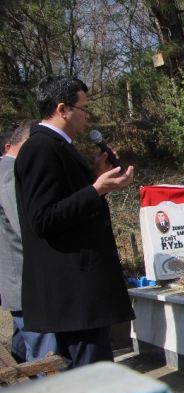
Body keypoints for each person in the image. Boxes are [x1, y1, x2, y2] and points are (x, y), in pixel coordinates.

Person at [14, 75, 135, 369]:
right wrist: (97, 189)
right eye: (84, 108)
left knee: (94, 376)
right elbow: (43, 218)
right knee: (92, 379)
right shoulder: (41, 148)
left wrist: (96, 179)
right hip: (73, 293)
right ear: (62, 109)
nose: (86, 117)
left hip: (82, 294)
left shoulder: (58, 146)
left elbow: (67, 205)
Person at [1, 121, 58, 364]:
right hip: (25, 280)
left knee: (25, 348)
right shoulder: (9, 172)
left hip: (18, 281)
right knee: (44, 354)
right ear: (11, 146)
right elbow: (24, 225)